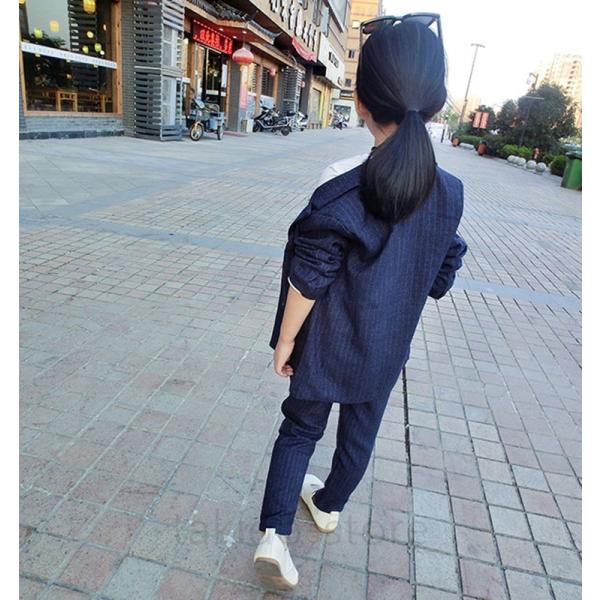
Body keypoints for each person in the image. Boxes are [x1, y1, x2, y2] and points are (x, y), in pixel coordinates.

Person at [253, 18, 467, 591]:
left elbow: (309, 278)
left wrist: (285, 341)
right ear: (435, 100)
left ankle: (274, 537)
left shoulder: (341, 181)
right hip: (386, 347)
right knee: (360, 434)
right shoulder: (449, 192)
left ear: (363, 100)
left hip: (325, 343)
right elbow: (443, 273)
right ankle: (327, 506)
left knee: (300, 430)